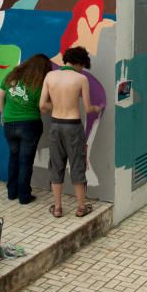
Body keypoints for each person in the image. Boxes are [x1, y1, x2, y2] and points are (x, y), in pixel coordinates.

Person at [39, 46, 102, 218]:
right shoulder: (81, 78)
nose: (82, 69)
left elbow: (42, 105)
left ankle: (58, 207)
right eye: (83, 65)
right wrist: (98, 107)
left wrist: (57, 106)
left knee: (56, 165)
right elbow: (88, 108)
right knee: (77, 165)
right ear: (79, 63)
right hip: (73, 126)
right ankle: (81, 207)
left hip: (56, 125)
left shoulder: (50, 76)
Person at [0, 54, 51, 205]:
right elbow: (44, 107)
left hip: (9, 124)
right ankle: (24, 196)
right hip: (29, 125)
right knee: (25, 161)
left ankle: (11, 193)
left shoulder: (11, 76)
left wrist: (3, 114)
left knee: (14, 158)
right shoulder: (39, 83)